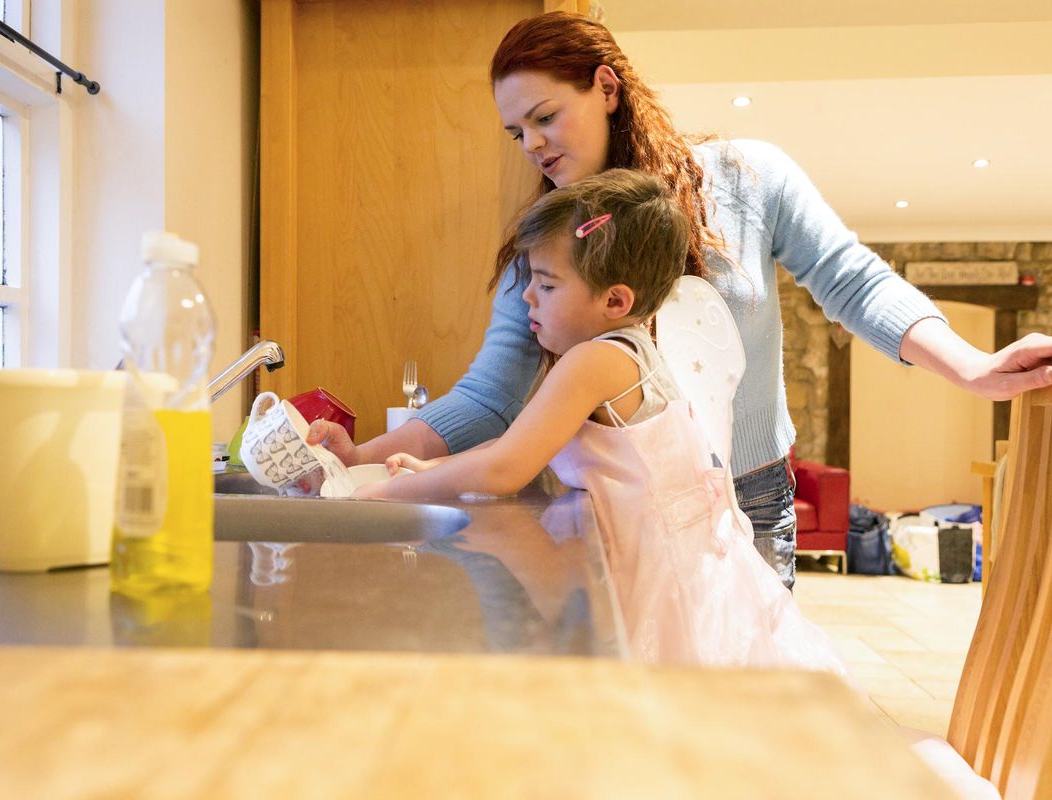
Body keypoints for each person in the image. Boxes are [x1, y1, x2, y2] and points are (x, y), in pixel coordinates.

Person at [309, 11, 1052, 590]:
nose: (531, 145)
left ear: (605, 87)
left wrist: (973, 370)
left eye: (544, 116)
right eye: (515, 132)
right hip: (613, 514)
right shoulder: (545, 252)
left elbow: (851, 279)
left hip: (750, 499)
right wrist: (362, 459)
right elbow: (488, 398)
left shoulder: (748, 178)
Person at [354, 168, 846, 672]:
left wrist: (388, 494)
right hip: (673, 558)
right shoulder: (631, 351)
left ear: (615, 300)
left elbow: (506, 467)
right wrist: (429, 472)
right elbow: (517, 443)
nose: (527, 297)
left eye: (545, 284)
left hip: (651, 569)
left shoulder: (592, 363)